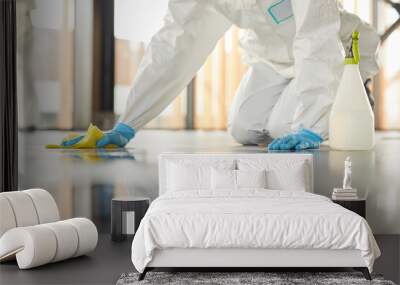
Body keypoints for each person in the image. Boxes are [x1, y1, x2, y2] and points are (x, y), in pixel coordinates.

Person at [64, 0, 380, 150]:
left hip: (331, 51)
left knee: (286, 125)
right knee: (244, 129)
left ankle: (355, 94)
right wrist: (127, 123)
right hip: (270, 59)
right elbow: (177, 42)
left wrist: (312, 123)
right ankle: (309, 111)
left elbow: (316, 34)